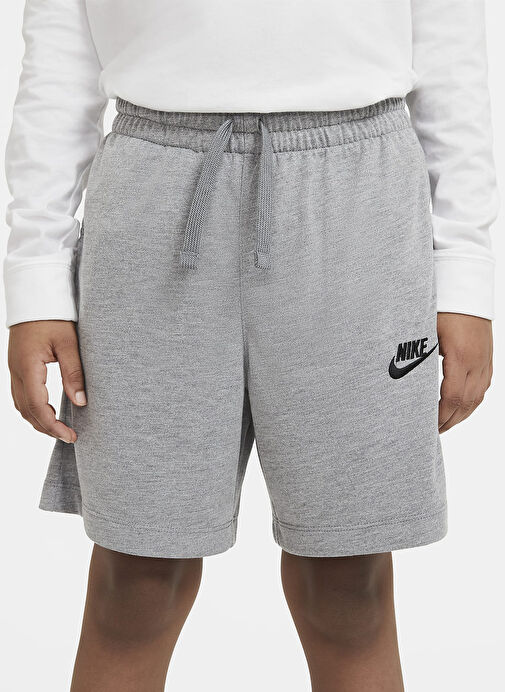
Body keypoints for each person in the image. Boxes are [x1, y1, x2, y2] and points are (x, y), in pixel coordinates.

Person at [4, 1, 496, 690]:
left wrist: (466, 274)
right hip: (151, 199)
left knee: (349, 581)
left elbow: (453, 61)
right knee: (136, 576)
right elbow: (58, 67)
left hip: (356, 204)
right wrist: (35, 281)